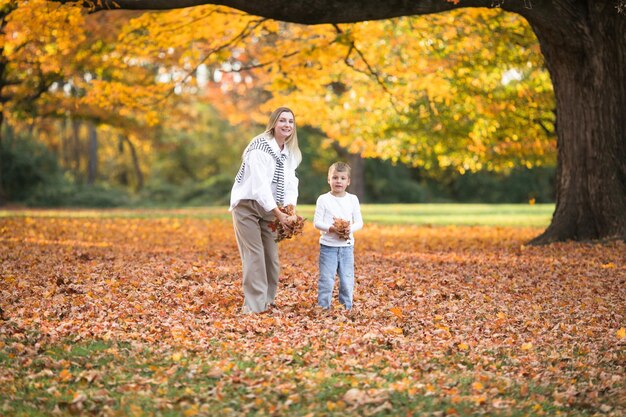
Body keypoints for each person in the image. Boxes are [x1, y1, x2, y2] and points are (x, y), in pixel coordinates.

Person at [230, 107, 302, 314]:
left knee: (271, 256)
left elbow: (291, 183)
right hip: (247, 206)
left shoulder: (289, 153)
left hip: (272, 208)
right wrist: (279, 215)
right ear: (273, 124)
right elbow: (260, 187)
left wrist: (291, 210)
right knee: (254, 254)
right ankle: (253, 306)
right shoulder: (259, 148)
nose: (287, 125)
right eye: (282, 121)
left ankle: (267, 302)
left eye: (291, 121)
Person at [313, 162, 363, 311]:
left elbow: (359, 222)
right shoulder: (323, 199)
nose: (338, 181)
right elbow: (317, 223)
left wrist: (349, 229)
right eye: (335, 177)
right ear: (328, 180)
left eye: (342, 178)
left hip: (347, 248)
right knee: (326, 280)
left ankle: (346, 308)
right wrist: (332, 229)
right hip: (328, 247)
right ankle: (323, 308)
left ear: (348, 181)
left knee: (347, 280)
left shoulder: (352, 199)